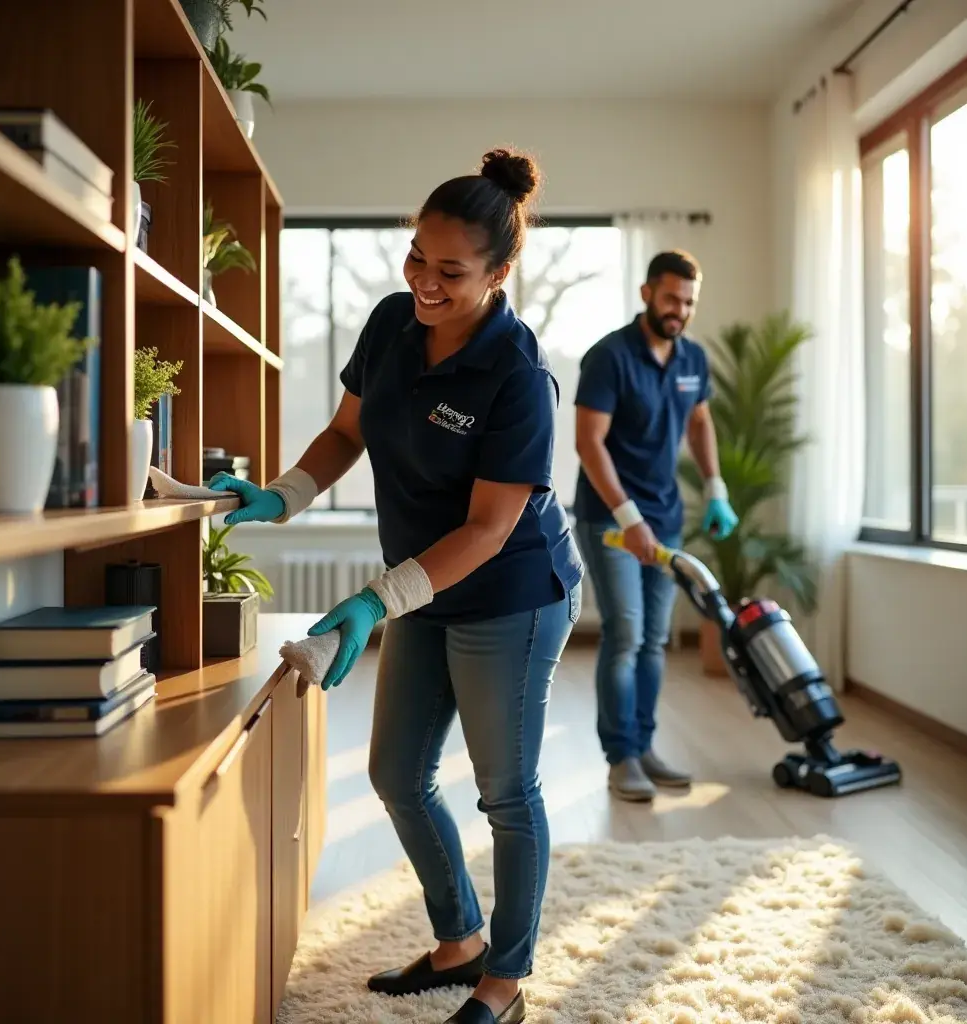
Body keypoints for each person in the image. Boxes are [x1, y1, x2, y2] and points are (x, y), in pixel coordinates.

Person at [210, 148, 583, 1024]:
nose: (424, 279)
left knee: (507, 790)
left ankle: (506, 981)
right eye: (416, 255)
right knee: (395, 772)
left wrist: (378, 599)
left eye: (450, 270)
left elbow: (491, 529)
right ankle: (459, 943)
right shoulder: (389, 324)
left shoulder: (518, 376)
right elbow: (348, 430)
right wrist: (286, 494)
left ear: (499, 273)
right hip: (424, 586)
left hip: (514, 595)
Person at [572, 250, 737, 802]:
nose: (680, 310)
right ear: (647, 294)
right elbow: (588, 444)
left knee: (654, 642)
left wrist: (715, 487)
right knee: (626, 634)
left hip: (665, 518)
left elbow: (700, 420)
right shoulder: (609, 358)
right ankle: (621, 758)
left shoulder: (693, 359)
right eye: (671, 298)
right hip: (611, 520)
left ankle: (643, 747)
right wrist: (628, 518)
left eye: (689, 302)